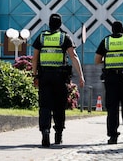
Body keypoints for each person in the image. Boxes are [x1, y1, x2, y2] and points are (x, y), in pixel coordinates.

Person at [32, 13, 85, 148]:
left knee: (44, 106)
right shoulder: (64, 37)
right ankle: (58, 134)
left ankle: (45, 131)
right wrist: (81, 75)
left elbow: (35, 58)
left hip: (44, 76)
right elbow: (73, 56)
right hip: (59, 77)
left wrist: (34, 75)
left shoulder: (42, 37)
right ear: (60, 24)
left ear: (49, 24)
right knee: (59, 106)